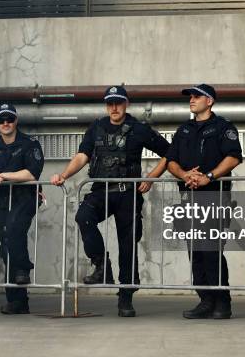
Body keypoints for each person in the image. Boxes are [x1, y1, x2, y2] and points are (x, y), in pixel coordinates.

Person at [51, 85, 170, 317]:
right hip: (101, 190)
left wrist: (152, 177)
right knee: (84, 216)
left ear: (126, 104)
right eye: (110, 103)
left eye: (118, 102)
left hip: (128, 194)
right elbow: (82, 156)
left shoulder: (138, 128)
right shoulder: (96, 128)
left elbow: (169, 152)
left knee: (127, 246)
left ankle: (125, 298)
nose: (114, 107)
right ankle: (101, 266)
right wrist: (64, 175)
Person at [166, 84, 242, 319]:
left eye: (197, 96)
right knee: (195, 252)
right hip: (188, 199)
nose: (192, 99)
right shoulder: (184, 130)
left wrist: (208, 177)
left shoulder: (223, 128)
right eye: (190, 96)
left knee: (211, 251)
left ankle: (222, 302)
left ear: (209, 101)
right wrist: (185, 175)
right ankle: (205, 300)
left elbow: (233, 158)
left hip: (215, 197)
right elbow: (171, 161)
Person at [0, 104, 44, 315]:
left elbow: (32, 173)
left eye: (9, 119)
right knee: (7, 245)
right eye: (1, 120)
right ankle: (17, 301)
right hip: (4, 200)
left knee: (14, 230)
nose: (6, 123)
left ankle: (24, 268)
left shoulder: (29, 144)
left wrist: (2, 176)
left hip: (26, 198)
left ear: (16, 121)